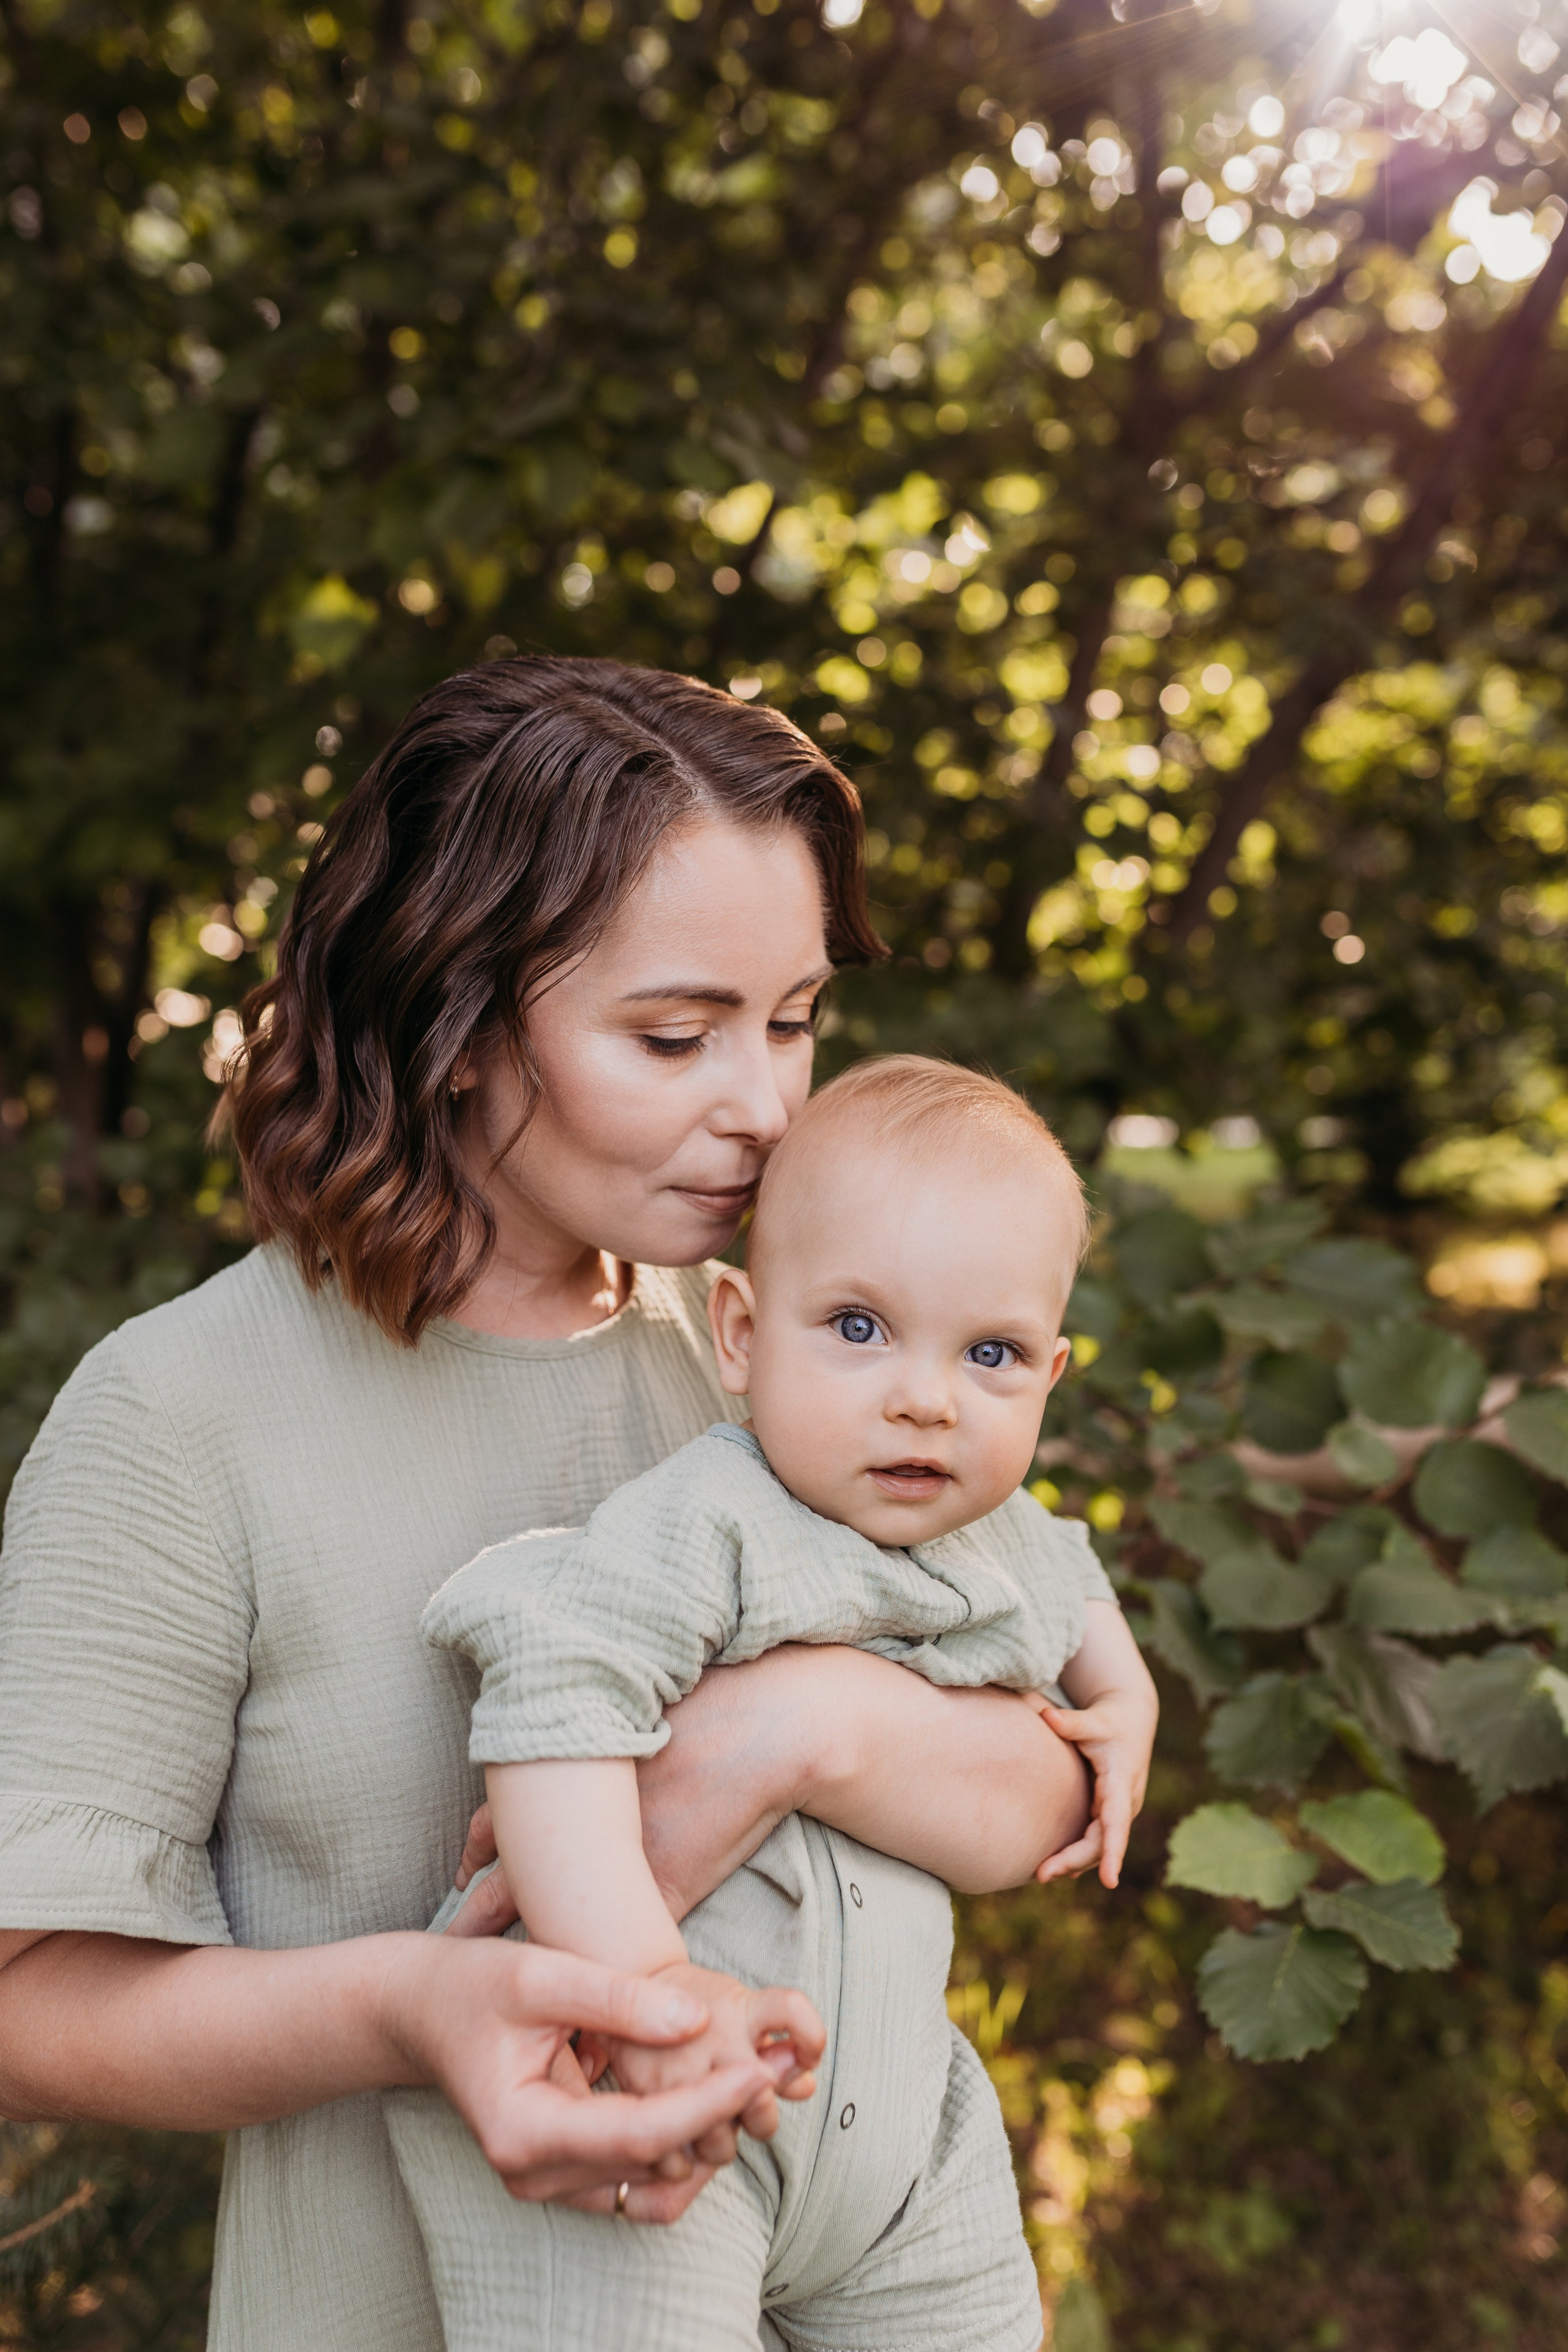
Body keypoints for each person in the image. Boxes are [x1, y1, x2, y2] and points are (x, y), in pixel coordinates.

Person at [0, 659, 1097, 2352]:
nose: (764, 1108)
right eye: (674, 1036)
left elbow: (1035, 1806)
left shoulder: (780, 1356)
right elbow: (26, 2010)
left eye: (794, 1020)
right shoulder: (181, 1415)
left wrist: (793, 1725)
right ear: (449, 1013)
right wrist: (414, 2005)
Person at [391, 1056, 1158, 2352]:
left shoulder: (999, 1534)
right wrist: (649, 1991)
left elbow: (1074, 1585)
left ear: (1050, 1374)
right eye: (858, 1328)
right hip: (656, 2104)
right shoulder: (714, 1521)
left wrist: (1124, 1703)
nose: (925, 1395)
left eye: (990, 1353)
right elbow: (551, 1695)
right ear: (740, 1333)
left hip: (900, 2134)